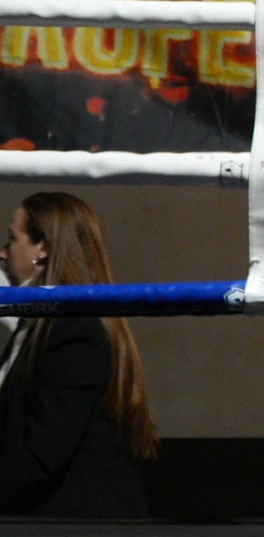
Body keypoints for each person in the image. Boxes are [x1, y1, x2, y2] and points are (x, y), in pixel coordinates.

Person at [1, 193, 155, 517]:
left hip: (81, 534)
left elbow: (41, 459)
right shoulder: (39, 325)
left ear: (41, 250)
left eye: (13, 239)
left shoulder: (71, 330)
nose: (3, 252)